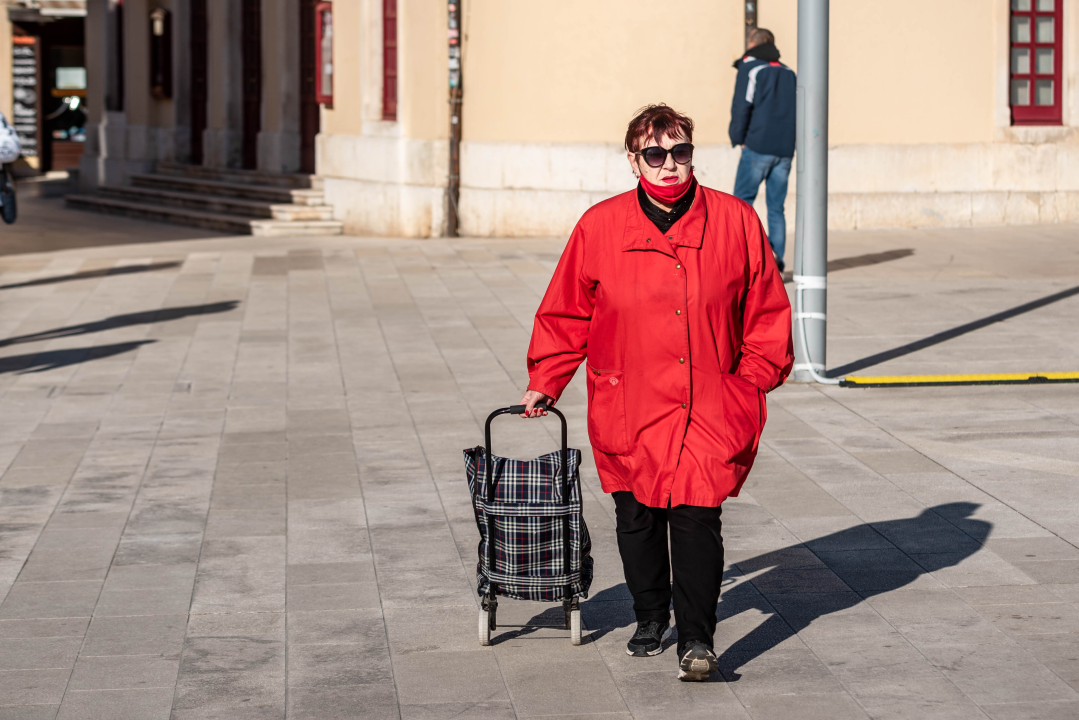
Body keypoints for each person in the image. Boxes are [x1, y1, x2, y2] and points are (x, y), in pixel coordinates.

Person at [519, 104, 793, 681]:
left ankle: (696, 639)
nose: (670, 165)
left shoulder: (735, 220)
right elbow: (567, 310)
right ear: (633, 159)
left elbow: (766, 308)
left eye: (681, 151)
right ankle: (649, 614)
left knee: (697, 517)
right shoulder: (600, 226)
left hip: (710, 401)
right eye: (655, 153)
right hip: (629, 398)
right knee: (638, 514)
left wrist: (751, 381)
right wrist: (547, 379)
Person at [730, 28, 796, 271]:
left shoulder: (751, 68)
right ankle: (775, 261)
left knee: (740, 206)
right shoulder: (790, 73)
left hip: (757, 147)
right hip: (785, 151)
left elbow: (741, 106)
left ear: (752, 43)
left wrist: (738, 137)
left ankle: (758, 256)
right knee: (777, 208)